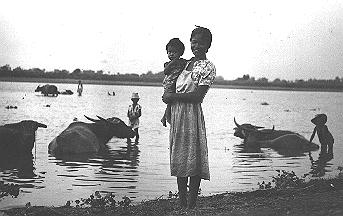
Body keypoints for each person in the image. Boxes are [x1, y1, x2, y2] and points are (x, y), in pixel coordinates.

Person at [162, 26, 216, 209]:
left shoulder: (207, 67)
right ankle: (182, 202)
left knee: (193, 157)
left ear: (208, 46)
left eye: (201, 43)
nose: (196, 46)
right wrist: (166, 110)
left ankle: (191, 204)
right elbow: (173, 87)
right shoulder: (184, 63)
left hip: (191, 115)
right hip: (177, 115)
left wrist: (172, 98)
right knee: (179, 156)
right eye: (194, 42)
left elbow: (198, 96)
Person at [161, 38, 187, 127]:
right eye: (169, 52)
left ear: (180, 53)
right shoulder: (167, 64)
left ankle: (166, 118)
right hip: (169, 85)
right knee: (169, 102)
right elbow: (166, 71)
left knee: (170, 103)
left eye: (174, 52)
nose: (171, 54)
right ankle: (166, 118)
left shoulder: (182, 62)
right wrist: (173, 62)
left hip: (177, 85)